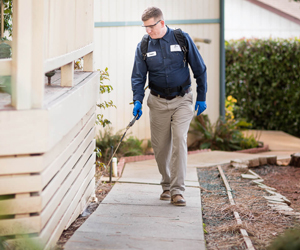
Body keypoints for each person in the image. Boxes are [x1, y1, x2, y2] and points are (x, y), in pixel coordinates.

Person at [131, 6, 207, 206]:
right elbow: (138, 77)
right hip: (157, 102)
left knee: (180, 140)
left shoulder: (182, 39)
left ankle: (177, 191)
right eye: (145, 27)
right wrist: (137, 100)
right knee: (160, 148)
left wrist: (202, 96)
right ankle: (166, 185)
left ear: (162, 23)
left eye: (151, 26)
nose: (148, 31)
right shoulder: (144, 45)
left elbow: (200, 69)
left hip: (182, 100)